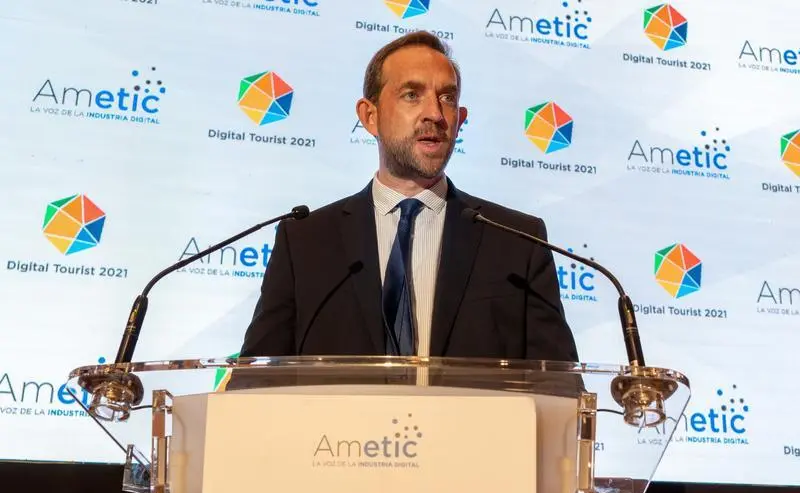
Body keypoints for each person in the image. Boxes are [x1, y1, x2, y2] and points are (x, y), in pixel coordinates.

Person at [238, 31, 579, 363]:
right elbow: (254, 380)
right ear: (370, 116)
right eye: (412, 95)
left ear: (460, 119)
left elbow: (559, 385)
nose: (435, 114)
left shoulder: (517, 242)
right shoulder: (305, 242)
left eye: (447, 98)